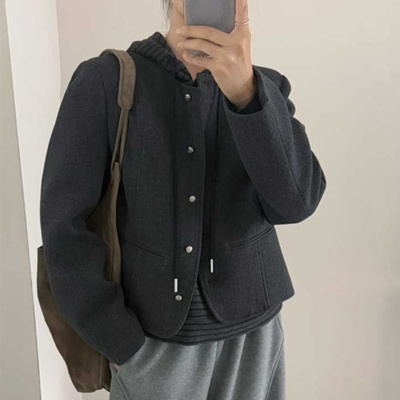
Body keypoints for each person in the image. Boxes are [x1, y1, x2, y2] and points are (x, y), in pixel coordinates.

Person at [40, 0, 327, 399]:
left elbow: (297, 202)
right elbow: (64, 229)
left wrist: (246, 95)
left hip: (254, 342)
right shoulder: (105, 81)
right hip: (153, 349)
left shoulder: (266, 90)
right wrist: (121, 343)